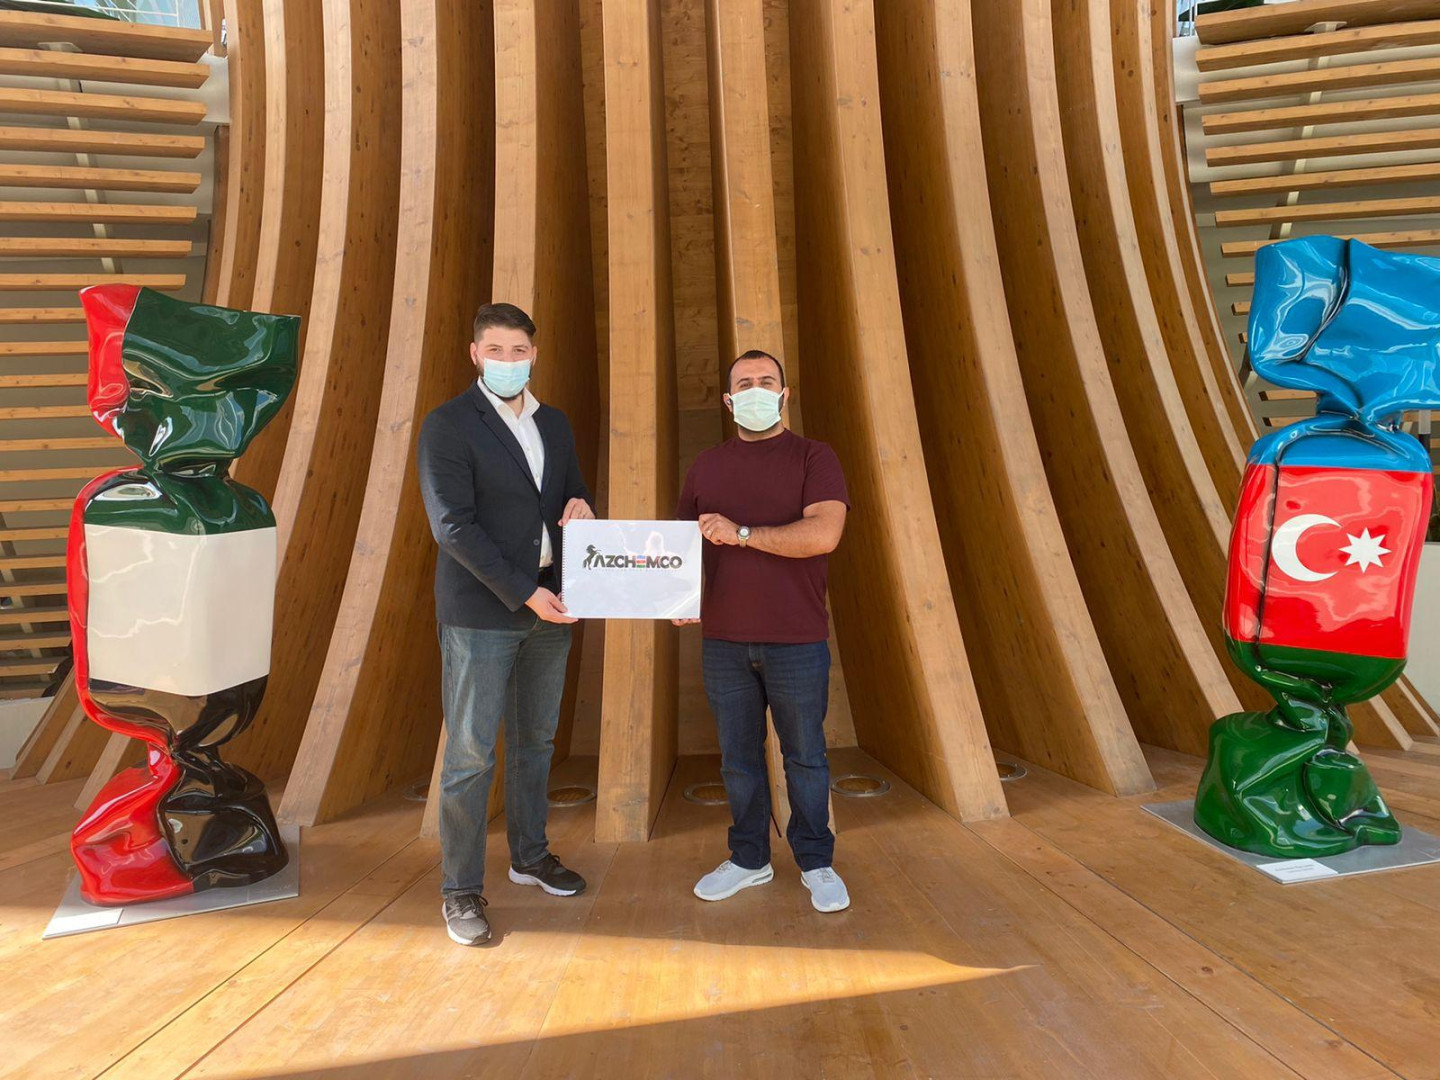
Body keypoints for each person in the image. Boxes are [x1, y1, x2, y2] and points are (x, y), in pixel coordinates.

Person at [418, 302, 594, 946]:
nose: (508, 361)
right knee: (469, 755)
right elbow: (453, 527)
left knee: (535, 743)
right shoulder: (447, 425)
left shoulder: (555, 423)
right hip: (483, 612)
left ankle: (530, 857)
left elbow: (571, 498)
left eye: (519, 351)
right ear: (475, 354)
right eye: (495, 350)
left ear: (533, 355)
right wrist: (525, 594)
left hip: (552, 605)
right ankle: (460, 890)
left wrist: (583, 506)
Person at [675, 349, 851, 913]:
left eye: (766, 381)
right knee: (738, 760)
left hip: (797, 638)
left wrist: (743, 533)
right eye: (745, 383)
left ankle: (816, 862)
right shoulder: (706, 466)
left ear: (784, 394)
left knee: (805, 757)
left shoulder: (814, 457)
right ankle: (749, 859)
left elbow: (822, 534)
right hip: (724, 641)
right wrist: (677, 595)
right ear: (729, 402)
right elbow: (682, 547)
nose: (756, 390)